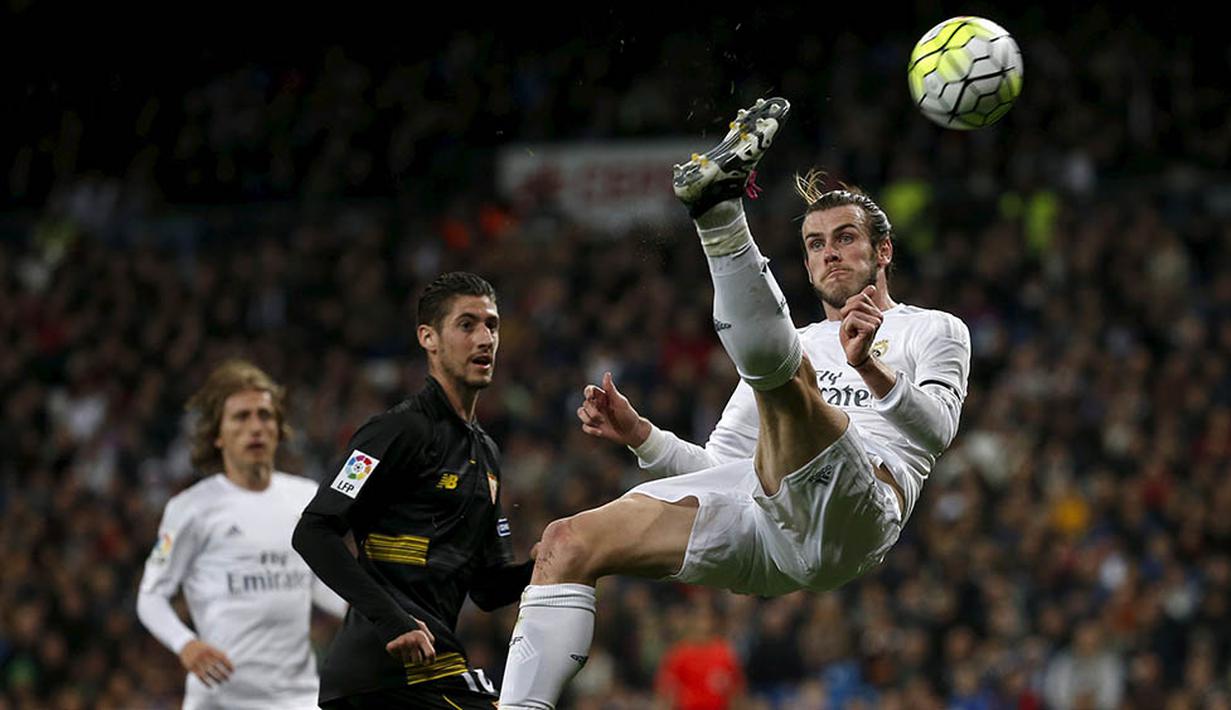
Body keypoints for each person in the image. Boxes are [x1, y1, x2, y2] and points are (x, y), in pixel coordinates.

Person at [497, 97, 972, 708]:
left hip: (855, 517)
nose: (829, 253)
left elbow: (937, 432)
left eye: (846, 238)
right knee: (566, 542)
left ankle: (719, 216)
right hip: (769, 532)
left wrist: (871, 370)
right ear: (802, 263)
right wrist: (644, 436)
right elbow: (719, 472)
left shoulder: (932, 329)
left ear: (882, 252)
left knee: (786, 380)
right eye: (815, 244)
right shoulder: (788, 346)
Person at [293, 271, 534, 709]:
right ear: (429, 338)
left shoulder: (487, 454)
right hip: (384, 675)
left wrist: (547, 563)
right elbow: (313, 531)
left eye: (492, 325)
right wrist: (391, 620)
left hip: (428, 670)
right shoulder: (396, 432)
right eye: (467, 325)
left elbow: (488, 588)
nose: (484, 338)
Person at [137, 360, 348, 710]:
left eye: (265, 416)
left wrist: (369, 611)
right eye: (241, 417)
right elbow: (150, 595)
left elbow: (313, 582)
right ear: (217, 434)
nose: (256, 427)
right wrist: (186, 644)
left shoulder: (306, 496)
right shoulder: (191, 508)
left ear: (279, 428)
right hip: (221, 699)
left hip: (299, 697)